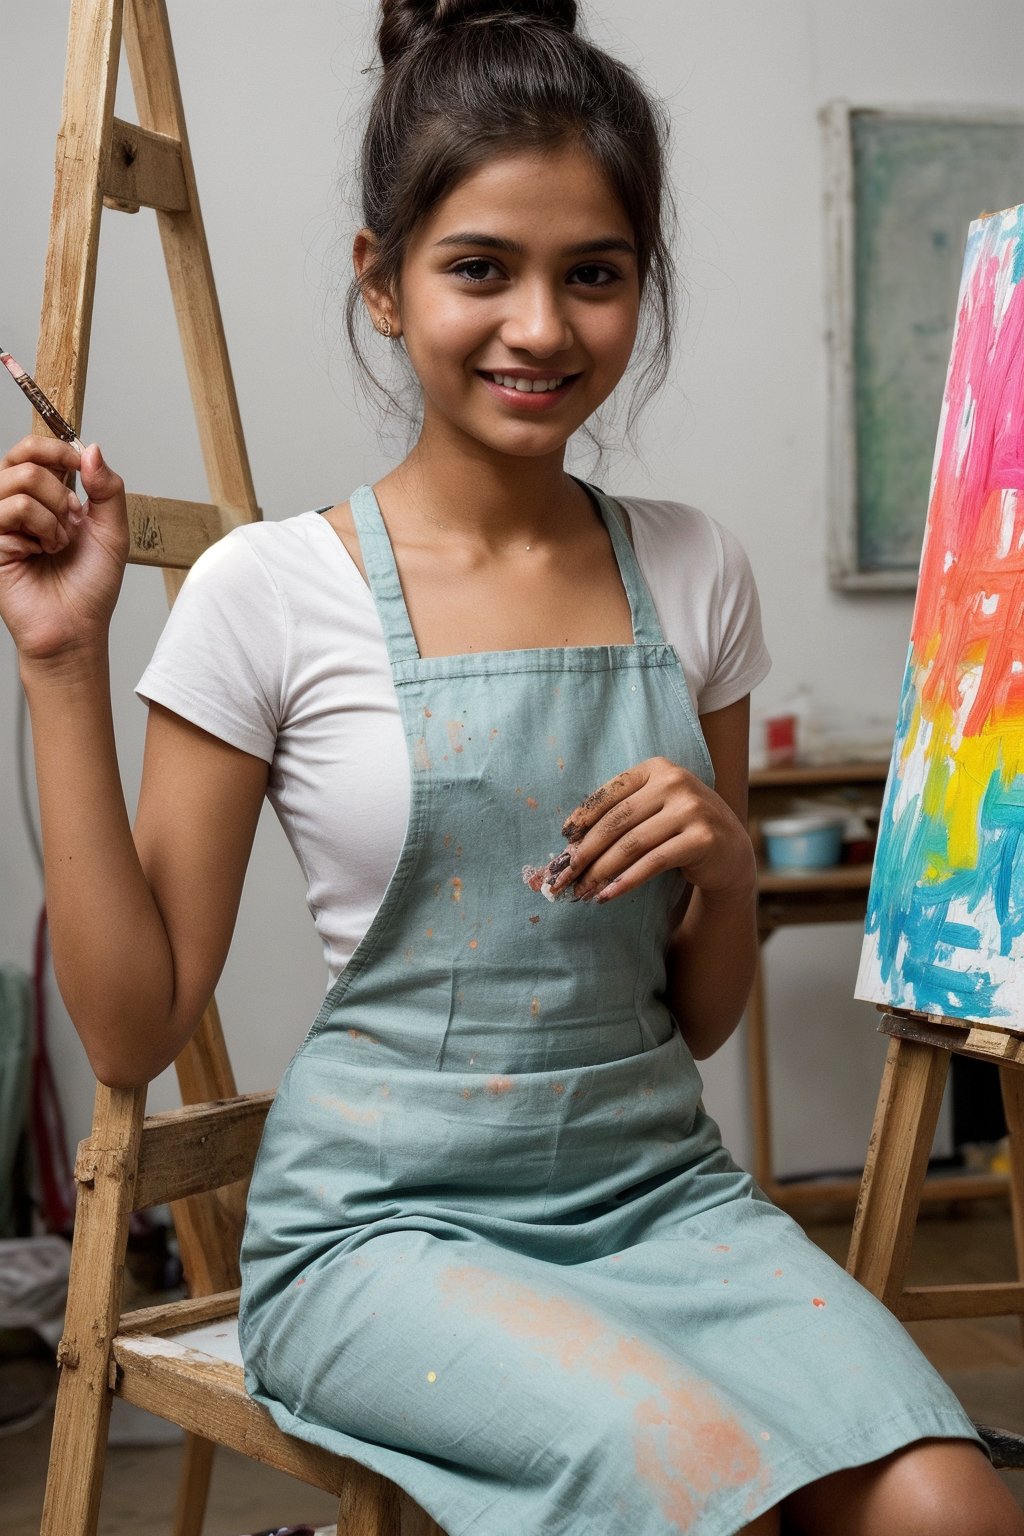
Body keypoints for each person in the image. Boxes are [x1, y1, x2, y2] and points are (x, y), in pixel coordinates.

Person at [2, 2, 1022, 1532]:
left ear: (638, 289)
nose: (541, 328)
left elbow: (700, 1020)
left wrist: (725, 863)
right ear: (384, 283)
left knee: (953, 1503)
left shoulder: (695, 572)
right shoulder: (270, 590)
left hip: (657, 1199)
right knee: (689, 1484)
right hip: (383, 1235)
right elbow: (135, 1031)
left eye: (593, 275)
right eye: (480, 267)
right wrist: (64, 662)